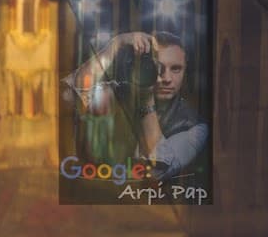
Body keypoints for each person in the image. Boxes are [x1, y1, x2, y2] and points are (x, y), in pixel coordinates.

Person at [64, 30, 208, 185]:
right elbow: (70, 93)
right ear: (139, 69)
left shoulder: (195, 126)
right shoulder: (120, 93)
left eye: (176, 69)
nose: (166, 78)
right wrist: (116, 44)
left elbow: (157, 171)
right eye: (157, 68)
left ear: (185, 72)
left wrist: (146, 101)